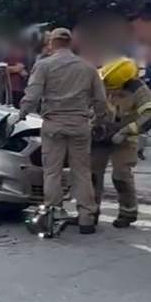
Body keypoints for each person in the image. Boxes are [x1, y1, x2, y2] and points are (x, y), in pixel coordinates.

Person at [17, 27, 108, 234]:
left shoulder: (44, 65)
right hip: (80, 125)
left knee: (52, 172)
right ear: (70, 43)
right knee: (82, 172)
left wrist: (20, 114)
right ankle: (86, 217)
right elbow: (101, 101)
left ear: (52, 44)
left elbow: (32, 96)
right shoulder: (88, 68)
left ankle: (52, 213)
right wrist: (98, 120)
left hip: (54, 125)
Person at [91, 57, 151, 228]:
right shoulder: (100, 81)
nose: (110, 91)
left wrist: (126, 131)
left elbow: (149, 116)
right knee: (92, 175)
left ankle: (128, 212)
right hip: (99, 135)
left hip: (125, 138)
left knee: (121, 175)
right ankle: (89, 212)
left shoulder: (138, 89)